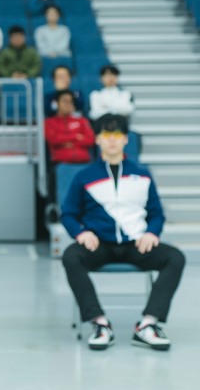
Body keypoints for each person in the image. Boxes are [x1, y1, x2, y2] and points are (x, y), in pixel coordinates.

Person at [61, 114, 185, 351]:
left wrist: (152, 233)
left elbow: (156, 212)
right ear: (98, 139)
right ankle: (99, 323)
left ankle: (148, 324)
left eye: (117, 135)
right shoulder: (84, 177)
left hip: (136, 244)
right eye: (106, 135)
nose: (112, 141)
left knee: (175, 257)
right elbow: (68, 214)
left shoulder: (142, 174)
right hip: (99, 245)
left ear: (125, 139)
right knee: (70, 256)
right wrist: (80, 234)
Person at [44, 91, 95, 164]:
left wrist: (68, 143)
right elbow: (53, 140)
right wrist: (75, 137)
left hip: (83, 162)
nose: (68, 104)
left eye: (70, 102)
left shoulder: (82, 121)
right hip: (60, 163)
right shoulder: (49, 122)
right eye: (65, 101)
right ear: (57, 103)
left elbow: (90, 140)